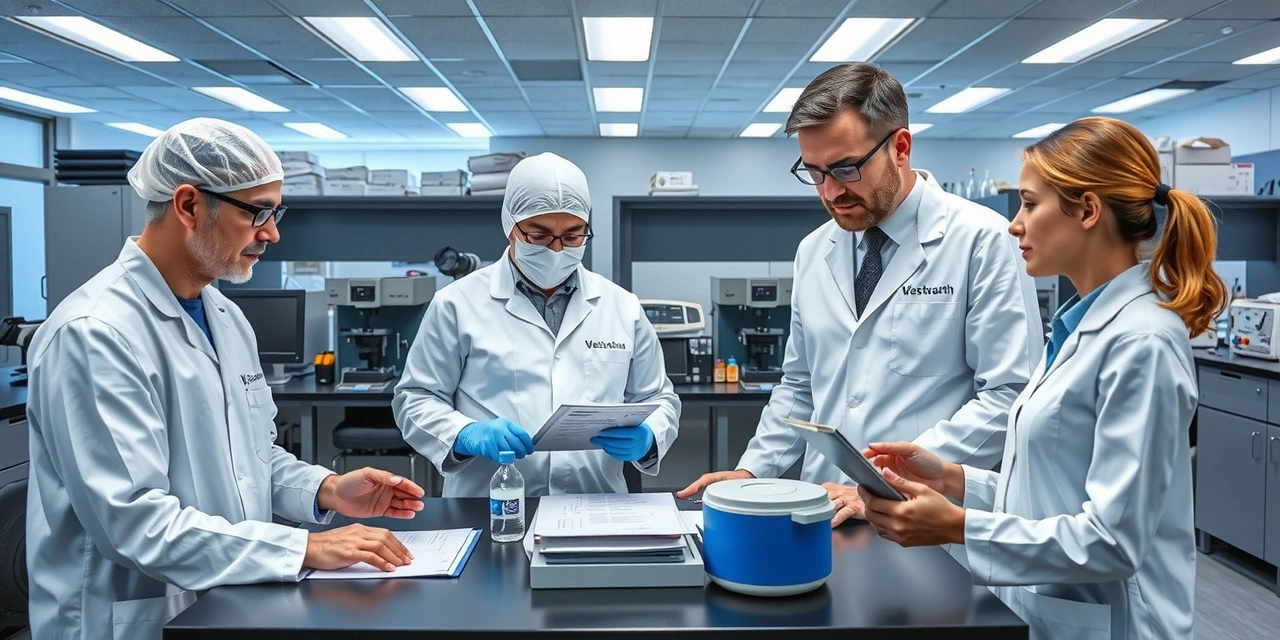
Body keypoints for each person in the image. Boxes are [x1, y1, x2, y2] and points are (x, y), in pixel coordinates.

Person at [26, 118, 427, 640]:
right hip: (132, 618)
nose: (273, 233)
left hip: (228, 603)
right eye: (257, 212)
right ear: (189, 205)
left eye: (276, 212)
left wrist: (326, 489)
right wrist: (303, 547)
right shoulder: (94, 333)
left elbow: (251, 457)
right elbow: (134, 524)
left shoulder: (223, 315)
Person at [858, 116, 1225, 640]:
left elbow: (1112, 541)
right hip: (1048, 610)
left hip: (1114, 624)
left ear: (1088, 210)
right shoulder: (1080, 327)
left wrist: (957, 526)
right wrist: (951, 479)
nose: (1015, 224)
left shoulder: (1142, 342)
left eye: (1030, 204)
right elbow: (1052, 493)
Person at [678, 62, 1042, 525]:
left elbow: (1009, 394)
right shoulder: (814, 250)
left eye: (846, 168)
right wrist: (752, 471)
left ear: (901, 147)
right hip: (825, 510)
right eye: (814, 172)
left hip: (924, 516)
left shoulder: (981, 239)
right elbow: (800, 386)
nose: (830, 192)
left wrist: (883, 478)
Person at [393, 152, 681, 497]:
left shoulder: (622, 306)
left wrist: (649, 435)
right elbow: (416, 397)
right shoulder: (456, 303)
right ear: (510, 225)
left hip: (595, 502)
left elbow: (659, 397)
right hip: (490, 503)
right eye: (540, 235)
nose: (557, 250)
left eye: (573, 236)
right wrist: (466, 433)